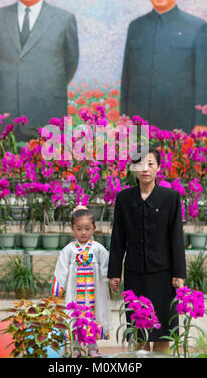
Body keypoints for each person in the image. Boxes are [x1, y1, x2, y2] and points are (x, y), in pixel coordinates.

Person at [0, 0, 79, 141]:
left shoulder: (64, 19)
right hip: (4, 115)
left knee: (49, 169)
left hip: (47, 112)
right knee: (1, 169)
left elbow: (70, 63)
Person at [108, 146, 186, 353]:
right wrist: (114, 273)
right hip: (134, 274)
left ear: (158, 167)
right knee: (138, 329)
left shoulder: (171, 198)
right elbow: (118, 238)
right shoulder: (124, 199)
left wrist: (179, 273)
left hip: (163, 275)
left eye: (150, 163)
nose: (145, 169)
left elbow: (176, 237)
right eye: (140, 164)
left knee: (163, 330)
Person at [120, 0, 207, 134]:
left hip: (180, 123)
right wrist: (123, 119)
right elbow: (127, 77)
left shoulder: (197, 27)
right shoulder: (136, 27)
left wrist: (203, 122)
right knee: (139, 162)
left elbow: (205, 81)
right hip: (139, 124)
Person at [50, 205, 110, 358]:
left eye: (87, 228)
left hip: (93, 293)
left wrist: (111, 279)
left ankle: (92, 348)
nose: (83, 232)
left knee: (93, 316)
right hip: (75, 292)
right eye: (79, 228)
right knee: (75, 316)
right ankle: (75, 348)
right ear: (72, 228)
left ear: (94, 228)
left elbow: (107, 268)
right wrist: (58, 290)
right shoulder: (69, 250)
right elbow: (61, 269)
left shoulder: (98, 249)